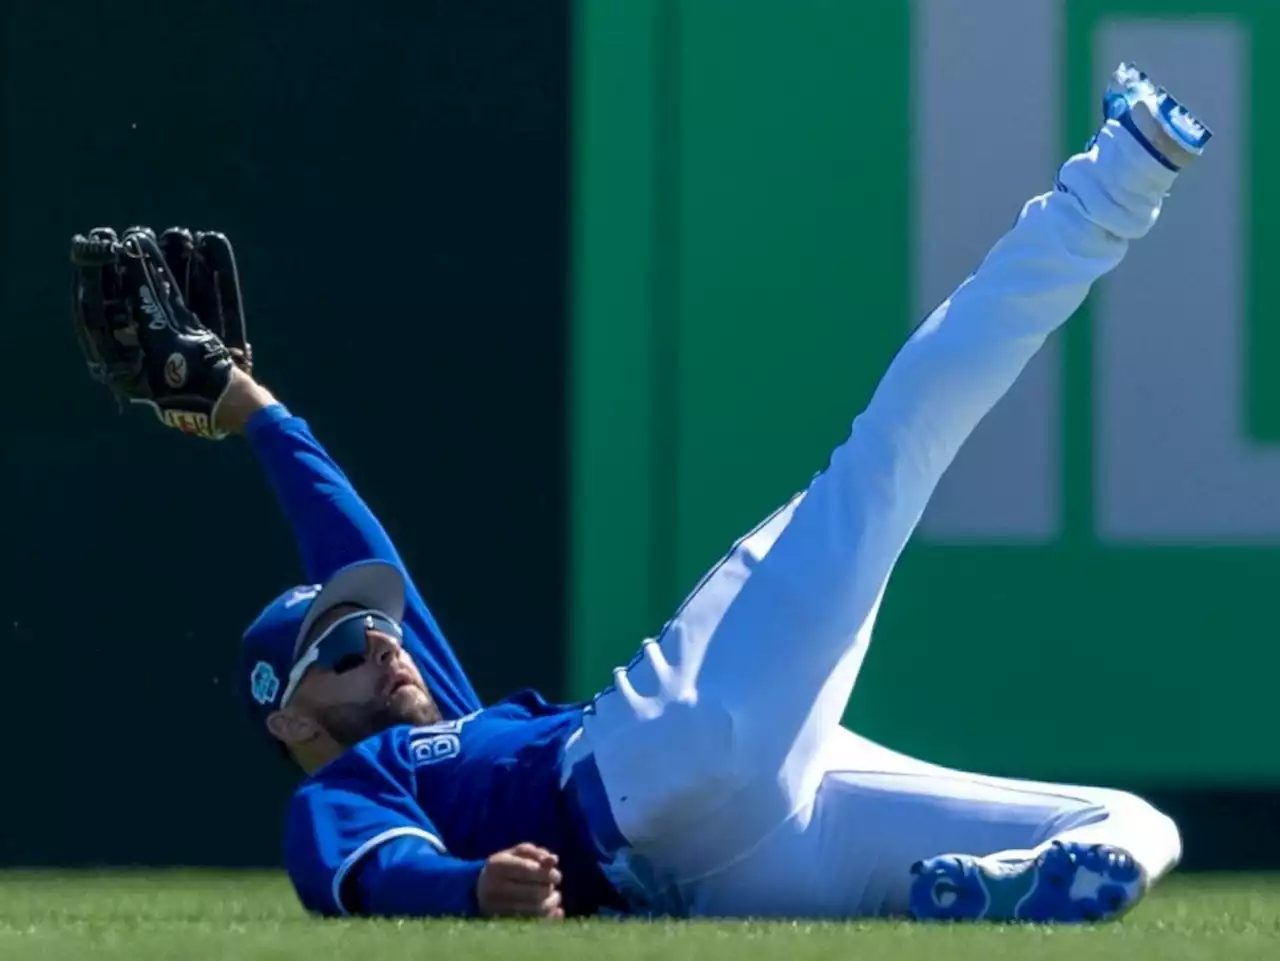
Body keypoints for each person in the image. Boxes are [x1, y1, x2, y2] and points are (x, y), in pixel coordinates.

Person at [70, 63, 1211, 923]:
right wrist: (470, 888)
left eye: (373, 626)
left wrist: (250, 408)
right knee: (889, 451)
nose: (386, 645)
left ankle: (984, 893)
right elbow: (359, 879)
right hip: (644, 766)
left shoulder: (449, 718)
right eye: (346, 650)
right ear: (290, 717)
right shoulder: (348, 788)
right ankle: (1111, 188)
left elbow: (347, 531)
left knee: (1124, 825)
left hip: (745, 850)